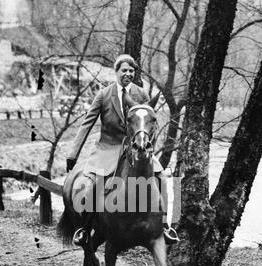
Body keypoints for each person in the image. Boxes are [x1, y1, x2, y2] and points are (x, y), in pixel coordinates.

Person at [66, 54, 179, 245]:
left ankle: (165, 226)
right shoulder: (103, 95)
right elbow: (87, 124)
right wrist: (72, 154)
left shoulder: (141, 94)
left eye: (131, 71)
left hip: (135, 147)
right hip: (108, 147)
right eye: (124, 70)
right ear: (116, 72)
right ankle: (85, 229)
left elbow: (150, 123)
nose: (128, 74)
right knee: (95, 183)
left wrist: (149, 146)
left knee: (162, 178)